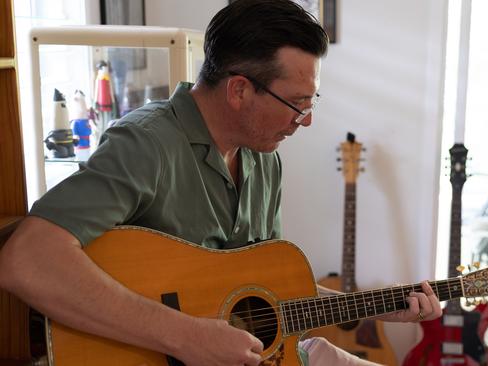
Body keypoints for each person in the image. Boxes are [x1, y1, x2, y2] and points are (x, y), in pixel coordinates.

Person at [0, 1, 442, 365]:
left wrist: (378, 304)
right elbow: (27, 260)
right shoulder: (145, 145)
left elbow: (269, 296)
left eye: (312, 102)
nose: (305, 121)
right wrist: (184, 335)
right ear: (238, 90)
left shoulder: (265, 161)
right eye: (297, 103)